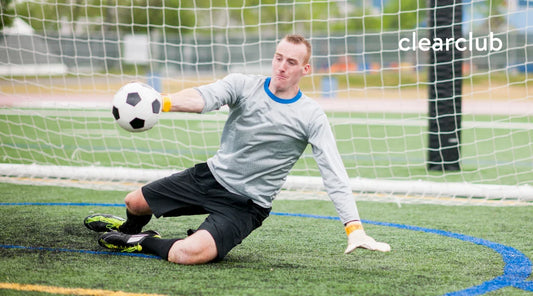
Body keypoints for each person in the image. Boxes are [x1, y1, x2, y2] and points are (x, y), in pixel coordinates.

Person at [84, 34, 390, 265]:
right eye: (278, 57)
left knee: (187, 254)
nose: (281, 67)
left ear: (305, 69)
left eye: (291, 62)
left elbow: (334, 174)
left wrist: (354, 228)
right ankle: (128, 225)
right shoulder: (245, 85)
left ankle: (139, 240)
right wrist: (160, 103)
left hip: (246, 205)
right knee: (135, 202)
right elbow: (206, 97)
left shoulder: (312, 116)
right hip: (210, 178)